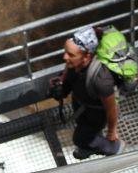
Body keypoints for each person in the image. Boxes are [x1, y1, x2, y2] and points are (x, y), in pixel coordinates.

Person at [50, 27, 124, 160]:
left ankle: (113, 148)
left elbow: (112, 109)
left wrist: (112, 132)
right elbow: (69, 76)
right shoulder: (76, 63)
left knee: (80, 138)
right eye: (66, 52)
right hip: (82, 103)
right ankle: (89, 144)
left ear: (87, 56)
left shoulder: (101, 80)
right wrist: (61, 85)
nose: (65, 57)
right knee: (82, 125)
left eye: (71, 55)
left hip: (96, 114)